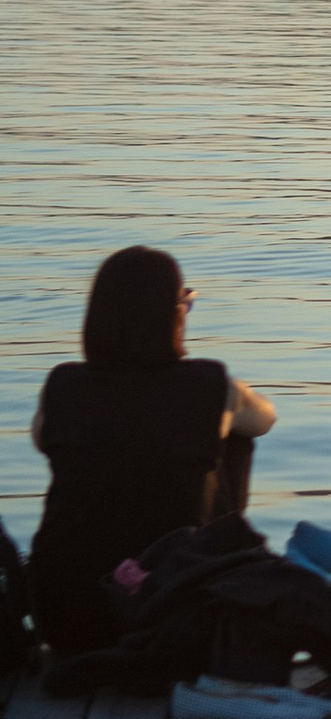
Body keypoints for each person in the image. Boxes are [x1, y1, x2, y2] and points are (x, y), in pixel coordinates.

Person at [25, 248, 276, 652]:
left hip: (66, 614)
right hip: (179, 609)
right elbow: (266, 418)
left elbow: (42, 440)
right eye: (186, 303)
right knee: (236, 438)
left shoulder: (62, 386)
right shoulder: (210, 384)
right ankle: (218, 566)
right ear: (172, 315)